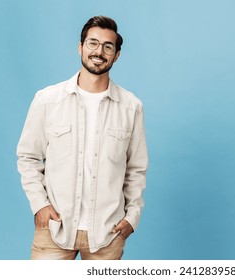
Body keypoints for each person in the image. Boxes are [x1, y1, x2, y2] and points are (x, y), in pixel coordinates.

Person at [16, 15, 148, 260]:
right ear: (80, 47)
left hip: (108, 233)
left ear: (116, 55)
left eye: (108, 47)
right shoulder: (47, 100)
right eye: (93, 43)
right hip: (55, 228)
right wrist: (40, 205)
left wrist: (132, 218)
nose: (99, 51)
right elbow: (28, 157)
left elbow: (136, 170)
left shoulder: (131, 107)